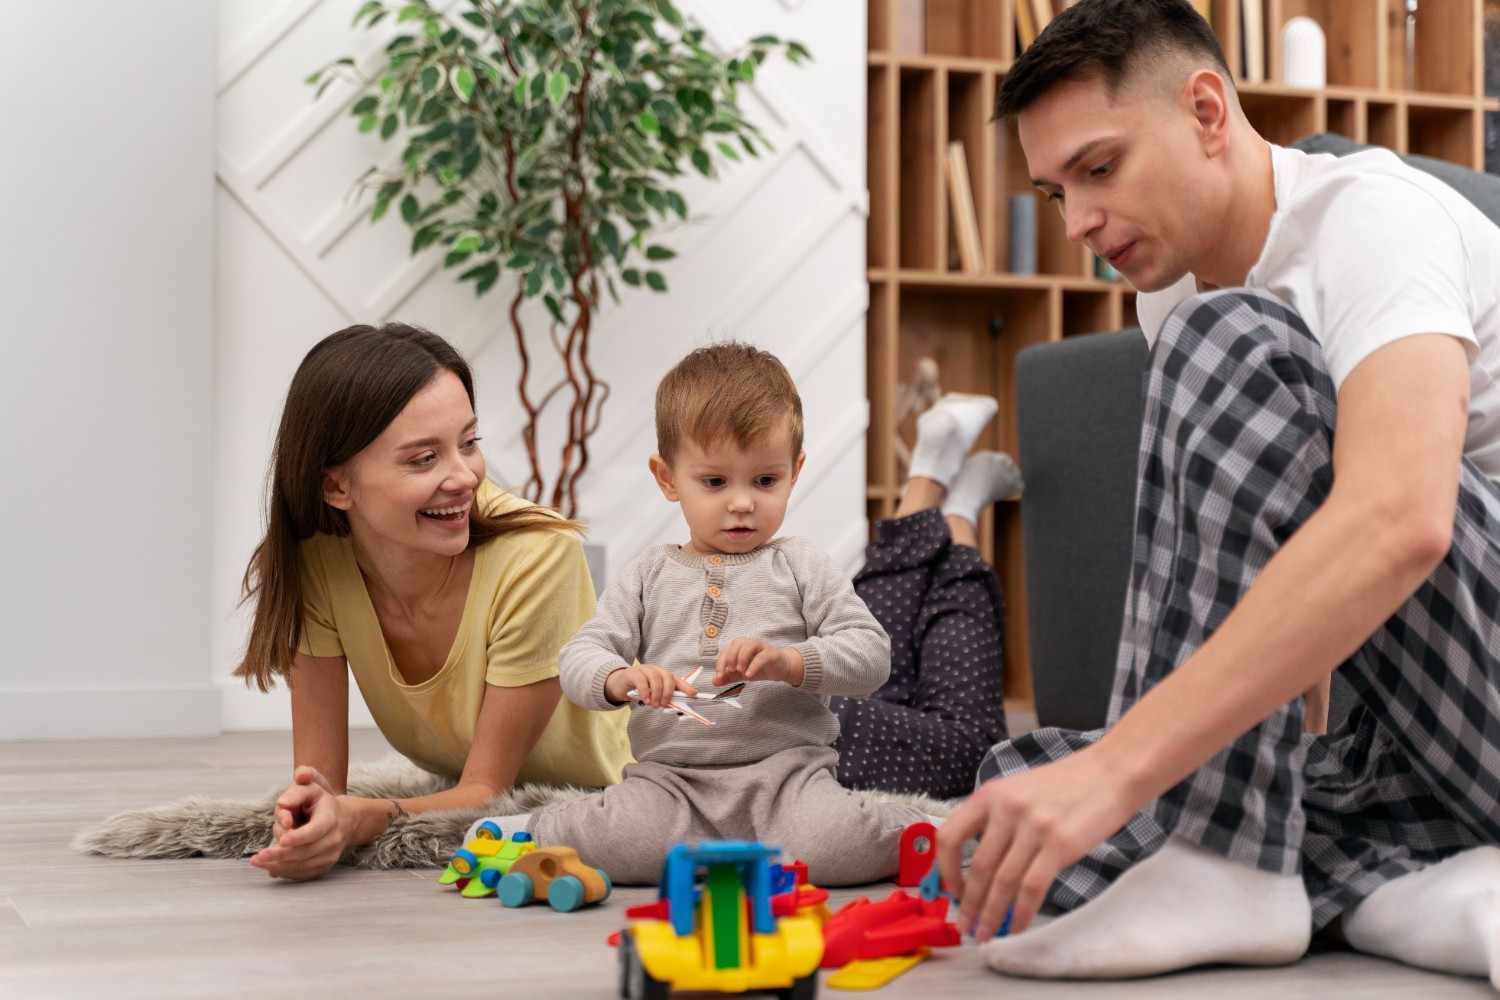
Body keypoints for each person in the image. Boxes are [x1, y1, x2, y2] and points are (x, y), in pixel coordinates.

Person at [934, 0, 1500, 985]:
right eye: (1055, 192)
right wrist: (1117, 788)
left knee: (1232, 335)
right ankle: (1415, 891)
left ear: (1206, 110)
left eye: (1099, 169)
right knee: (1012, 815)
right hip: (1417, 732)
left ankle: (1237, 867)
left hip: (1476, 682)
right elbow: (1266, 599)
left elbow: (1403, 519)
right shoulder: (1173, 294)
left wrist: (1120, 775)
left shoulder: (1372, 217)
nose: (1079, 224)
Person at [465, 342, 931, 885]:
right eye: (715, 482)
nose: (741, 502)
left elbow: (872, 656)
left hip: (787, 778)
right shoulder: (649, 574)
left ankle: (918, 826)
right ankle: (534, 828)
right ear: (667, 478)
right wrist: (620, 678)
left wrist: (790, 662)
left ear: (795, 472)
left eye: (765, 481)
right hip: (671, 781)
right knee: (625, 841)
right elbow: (579, 656)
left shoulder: (801, 564)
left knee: (830, 849)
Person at [234, 323, 631, 881]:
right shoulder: (317, 564)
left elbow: (484, 794)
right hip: (485, 791)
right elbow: (320, 780)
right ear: (336, 488)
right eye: (424, 459)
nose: (463, 476)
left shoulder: (540, 557)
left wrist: (359, 819)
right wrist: (312, 818)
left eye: (469, 443)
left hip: (614, 790)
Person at [833, 394, 1020, 800]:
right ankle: (935, 489)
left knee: (971, 746)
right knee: (873, 678)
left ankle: (948, 502)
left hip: (787, 734)